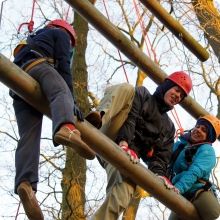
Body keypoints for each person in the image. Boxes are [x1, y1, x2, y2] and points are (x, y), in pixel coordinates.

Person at [10, 19, 95, 219]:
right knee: (61, 91)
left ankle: (26, 184)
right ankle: (66, 128)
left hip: (17, 83)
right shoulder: (61, 35)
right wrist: (71, 100)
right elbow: (64, 65)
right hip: (39, 66)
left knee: (28, 136)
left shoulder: (33, 39)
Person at [88, 71, 192, 220]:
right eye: (176, 89)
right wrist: (124, 142)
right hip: (110, 132)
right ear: (168, 85)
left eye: (181, 95)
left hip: (124, 155)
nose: (178, 95)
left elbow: (160, 158)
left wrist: (160, 176)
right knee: (127, 89)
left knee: (127, 189)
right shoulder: (143, 94)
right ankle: (95, 120)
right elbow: (131, 119)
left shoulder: (168, 127)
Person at [168, 115, 220, 220]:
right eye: (197, 126)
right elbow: (163, 158)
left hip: (197, 191)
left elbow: (195, 172)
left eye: (204, 130)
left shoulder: (207, 150)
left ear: (208, 137)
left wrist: (178, 188)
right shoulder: (179, 146)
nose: (198, 130)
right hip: (179, 192)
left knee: (212, 211)